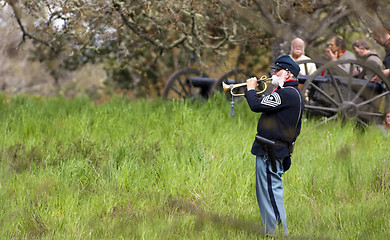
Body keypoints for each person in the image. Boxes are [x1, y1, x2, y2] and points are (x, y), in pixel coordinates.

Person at [244, 55, 304, 237]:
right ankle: (271, 232)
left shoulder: (286, 94)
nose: (272, 74)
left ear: (287, 73)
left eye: (276, 70)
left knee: (271, 195)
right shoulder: (286, 93)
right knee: (265, 195)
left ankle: (278, 234)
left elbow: (255, 105)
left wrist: (250, 89)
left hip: (272, 150)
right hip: (270, 149)